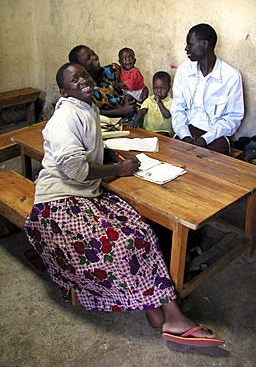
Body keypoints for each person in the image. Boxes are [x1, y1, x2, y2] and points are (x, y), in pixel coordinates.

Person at [24, 62, 223, 347]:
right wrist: (118, 171)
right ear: (63, 90)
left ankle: (161, 311)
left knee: (139, 230)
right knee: (118, 244)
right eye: (74, 79)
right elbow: (75, 169)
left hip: (85, 195)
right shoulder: (65, 115)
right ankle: (169, 314)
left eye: (85, 75)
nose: (83, 80)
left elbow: (92, 146)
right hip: (57, 204)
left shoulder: (88, 107)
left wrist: (117, 159)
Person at [171, 23, 244, 154]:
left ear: (204, 45)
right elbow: (178, 108)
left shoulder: (231, 77)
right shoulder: (183, 71)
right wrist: (185, 136)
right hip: (187, 130)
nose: (186, 49)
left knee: (212, 165)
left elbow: (233, 118)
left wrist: (205, 139)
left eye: (190, 44)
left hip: (215, 135)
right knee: (176, 156)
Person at [68, 45, 137, 119]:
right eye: (88, 58)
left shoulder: (114, 70)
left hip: (136, 113)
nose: (94, 57)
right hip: (113, 124)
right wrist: (121, 111)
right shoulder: (85, 87)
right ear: (80, 66)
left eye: (93, 53)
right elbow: (90, 111)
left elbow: (134, 80)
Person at [132, 71, 173, 137]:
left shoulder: (171, 102)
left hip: (164, 132)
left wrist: (159, 102)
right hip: (148, 130)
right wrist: (136, 121)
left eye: (162, 88)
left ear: (169, 88)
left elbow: (167, 115)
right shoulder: (149, 100)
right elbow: (142, 111)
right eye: (156, 88)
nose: (159, 91)